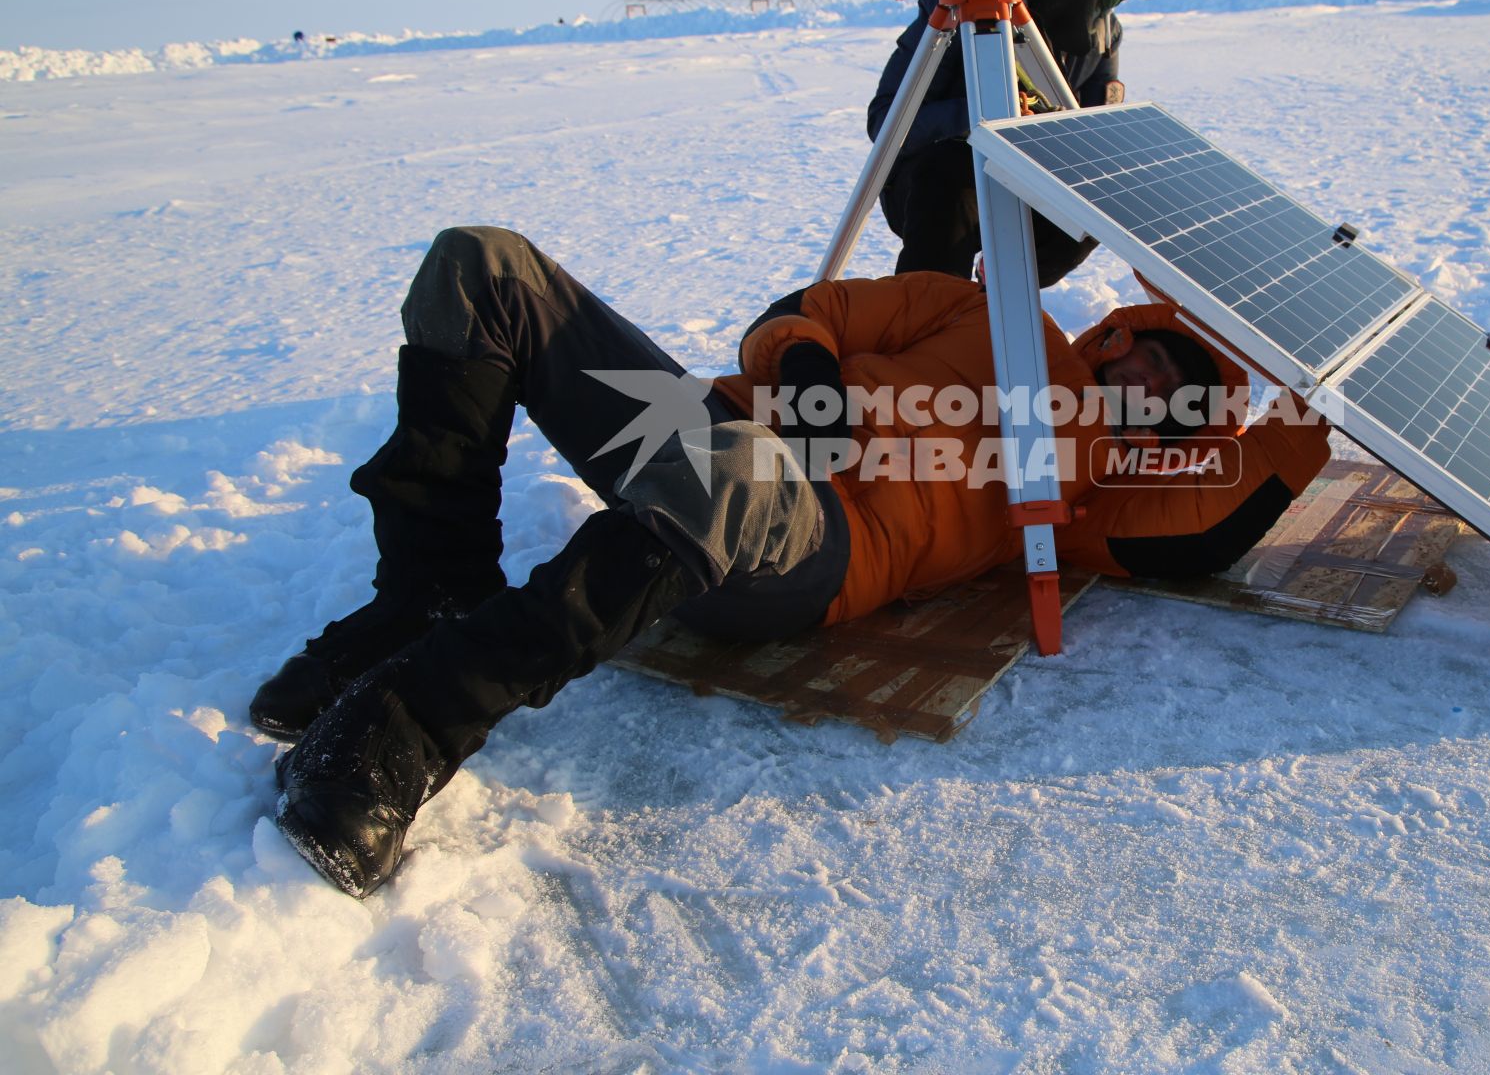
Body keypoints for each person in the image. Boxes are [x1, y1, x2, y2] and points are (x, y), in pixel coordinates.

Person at [261, 226, 1330, 898]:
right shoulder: (986, 310)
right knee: (482, 269)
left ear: (1174, 425)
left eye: (1171, 383)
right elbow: (804, 315)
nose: (1145, 371)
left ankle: (406, 723)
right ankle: (427, 590)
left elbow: (1205, 529)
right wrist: (813, 386)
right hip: (720, 428)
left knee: (731, 474)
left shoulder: (1091, 492)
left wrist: (1319, 397)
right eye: (1147, 348)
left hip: (808, 547)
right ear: (1118, 334)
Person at [868, 0, 1137, 287]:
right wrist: (981, 110)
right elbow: (884, 123)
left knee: (1100, 203)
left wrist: (1051, 127)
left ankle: (1001, 287)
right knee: (947, 181)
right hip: (937, 187)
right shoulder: (954, 12)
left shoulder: (1100, 28)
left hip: (1039, 177)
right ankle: (924, 322)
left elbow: (1096, 128)